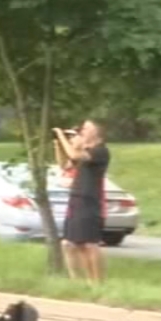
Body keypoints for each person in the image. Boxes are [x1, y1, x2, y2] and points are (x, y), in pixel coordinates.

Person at [57, 119, 111, 283]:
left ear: (97, 132)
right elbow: (64, 163)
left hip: (90, 200)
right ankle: (87, 281)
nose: (82, 130)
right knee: (78, 243)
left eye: (87, 128)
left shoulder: (100, 151)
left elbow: (73, 155)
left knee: (90, 244)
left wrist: (61, 135)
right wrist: (59, 143)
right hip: (77, 199)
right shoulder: (84, 151)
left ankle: (97, 281)